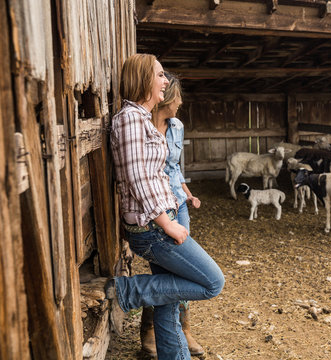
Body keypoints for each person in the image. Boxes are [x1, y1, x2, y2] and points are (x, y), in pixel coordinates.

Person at [108, 53, 224, 360]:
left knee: (168, 302)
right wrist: (166, 222)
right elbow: (138, 178)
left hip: (158, 222)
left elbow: (156, 173)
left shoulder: (141, 118)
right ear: (143, 79)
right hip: (152, 229)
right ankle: (126, 292)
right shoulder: (130, 119)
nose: (165, 81)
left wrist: (176, 202)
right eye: (160, 75)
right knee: (213, 282)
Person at [139, 72, 204, 357]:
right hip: (155, 208)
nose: (180, 104)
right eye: (178, 98)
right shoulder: (140, 125)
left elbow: (175, 169)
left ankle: (181, 329)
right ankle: (152, 329)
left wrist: (187, 194)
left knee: (178, 270)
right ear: (166, 98)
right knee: (165, 272)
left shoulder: (176, 126)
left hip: (178, 203)